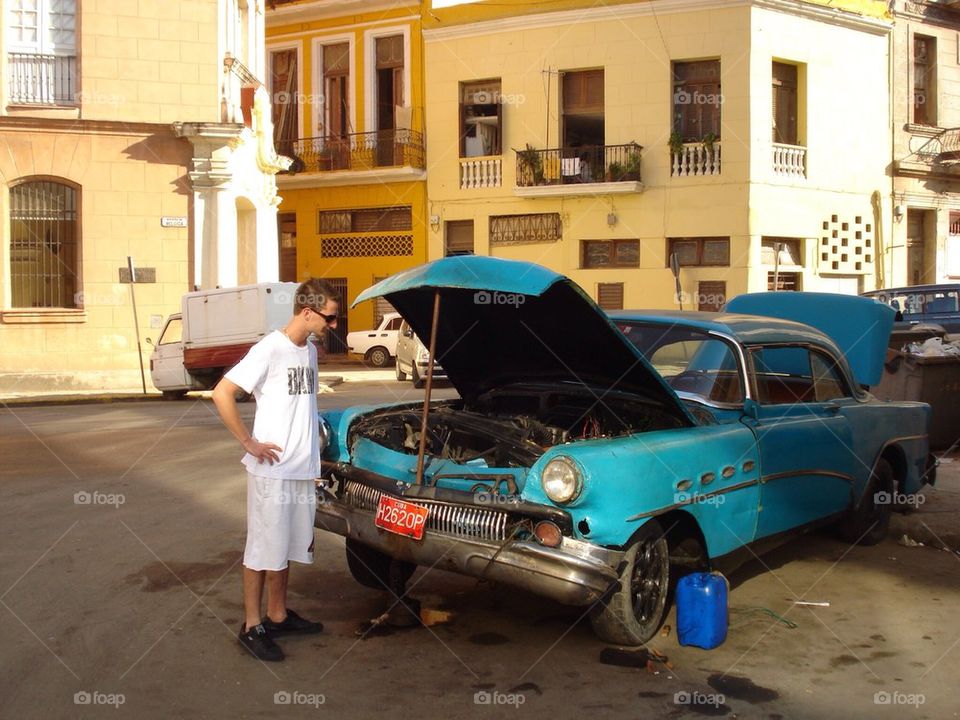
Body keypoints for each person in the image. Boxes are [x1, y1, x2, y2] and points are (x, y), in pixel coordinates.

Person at [212, 278, 339, 662]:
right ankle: (252, 626)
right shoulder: (270, 348)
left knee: (287, 544)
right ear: (307, 311)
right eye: (329, 319)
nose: (333, 327)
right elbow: (222, 392)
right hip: (272, 471)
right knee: (263, 548)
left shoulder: (309, 352)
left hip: (301, 469)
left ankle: (278, 614)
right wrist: (248, 442)